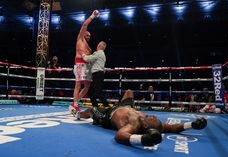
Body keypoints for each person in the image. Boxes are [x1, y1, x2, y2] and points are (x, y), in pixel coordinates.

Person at [78, 89, 207, 148]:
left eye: (152, 118)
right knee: (129, 92)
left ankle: (78, 115)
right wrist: (192, 125)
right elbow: (173, 128)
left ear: (146, 126)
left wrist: (143, 139)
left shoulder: (134, 125)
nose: (154, 116)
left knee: (91, 110)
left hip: (109, 114)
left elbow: (120, 135)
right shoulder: (150, 122)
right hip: (126, 106)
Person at [69, 10, 100, 115]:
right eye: (87, 34)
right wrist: (92, 16)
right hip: (79, 64)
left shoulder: (89, 48)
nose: (88, 36)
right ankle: (76, 105)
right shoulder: (80, 39)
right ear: (84, 34)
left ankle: (74, 103)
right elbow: (85, 24)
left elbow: (90, 58)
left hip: (87, 66)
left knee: (87, 87)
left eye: (90, 36)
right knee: (78, 85)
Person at [80, 41, 109, 108]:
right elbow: (93, 63)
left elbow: (87, 59)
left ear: (100, 46)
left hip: (98, 74)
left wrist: (83, 54)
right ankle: (96, 107)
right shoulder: (102, 54)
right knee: (91, 92)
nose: (97, 45)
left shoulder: (98, 53)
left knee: (98, 93)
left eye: (98, 44)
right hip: (98, 75)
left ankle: (107, 106)